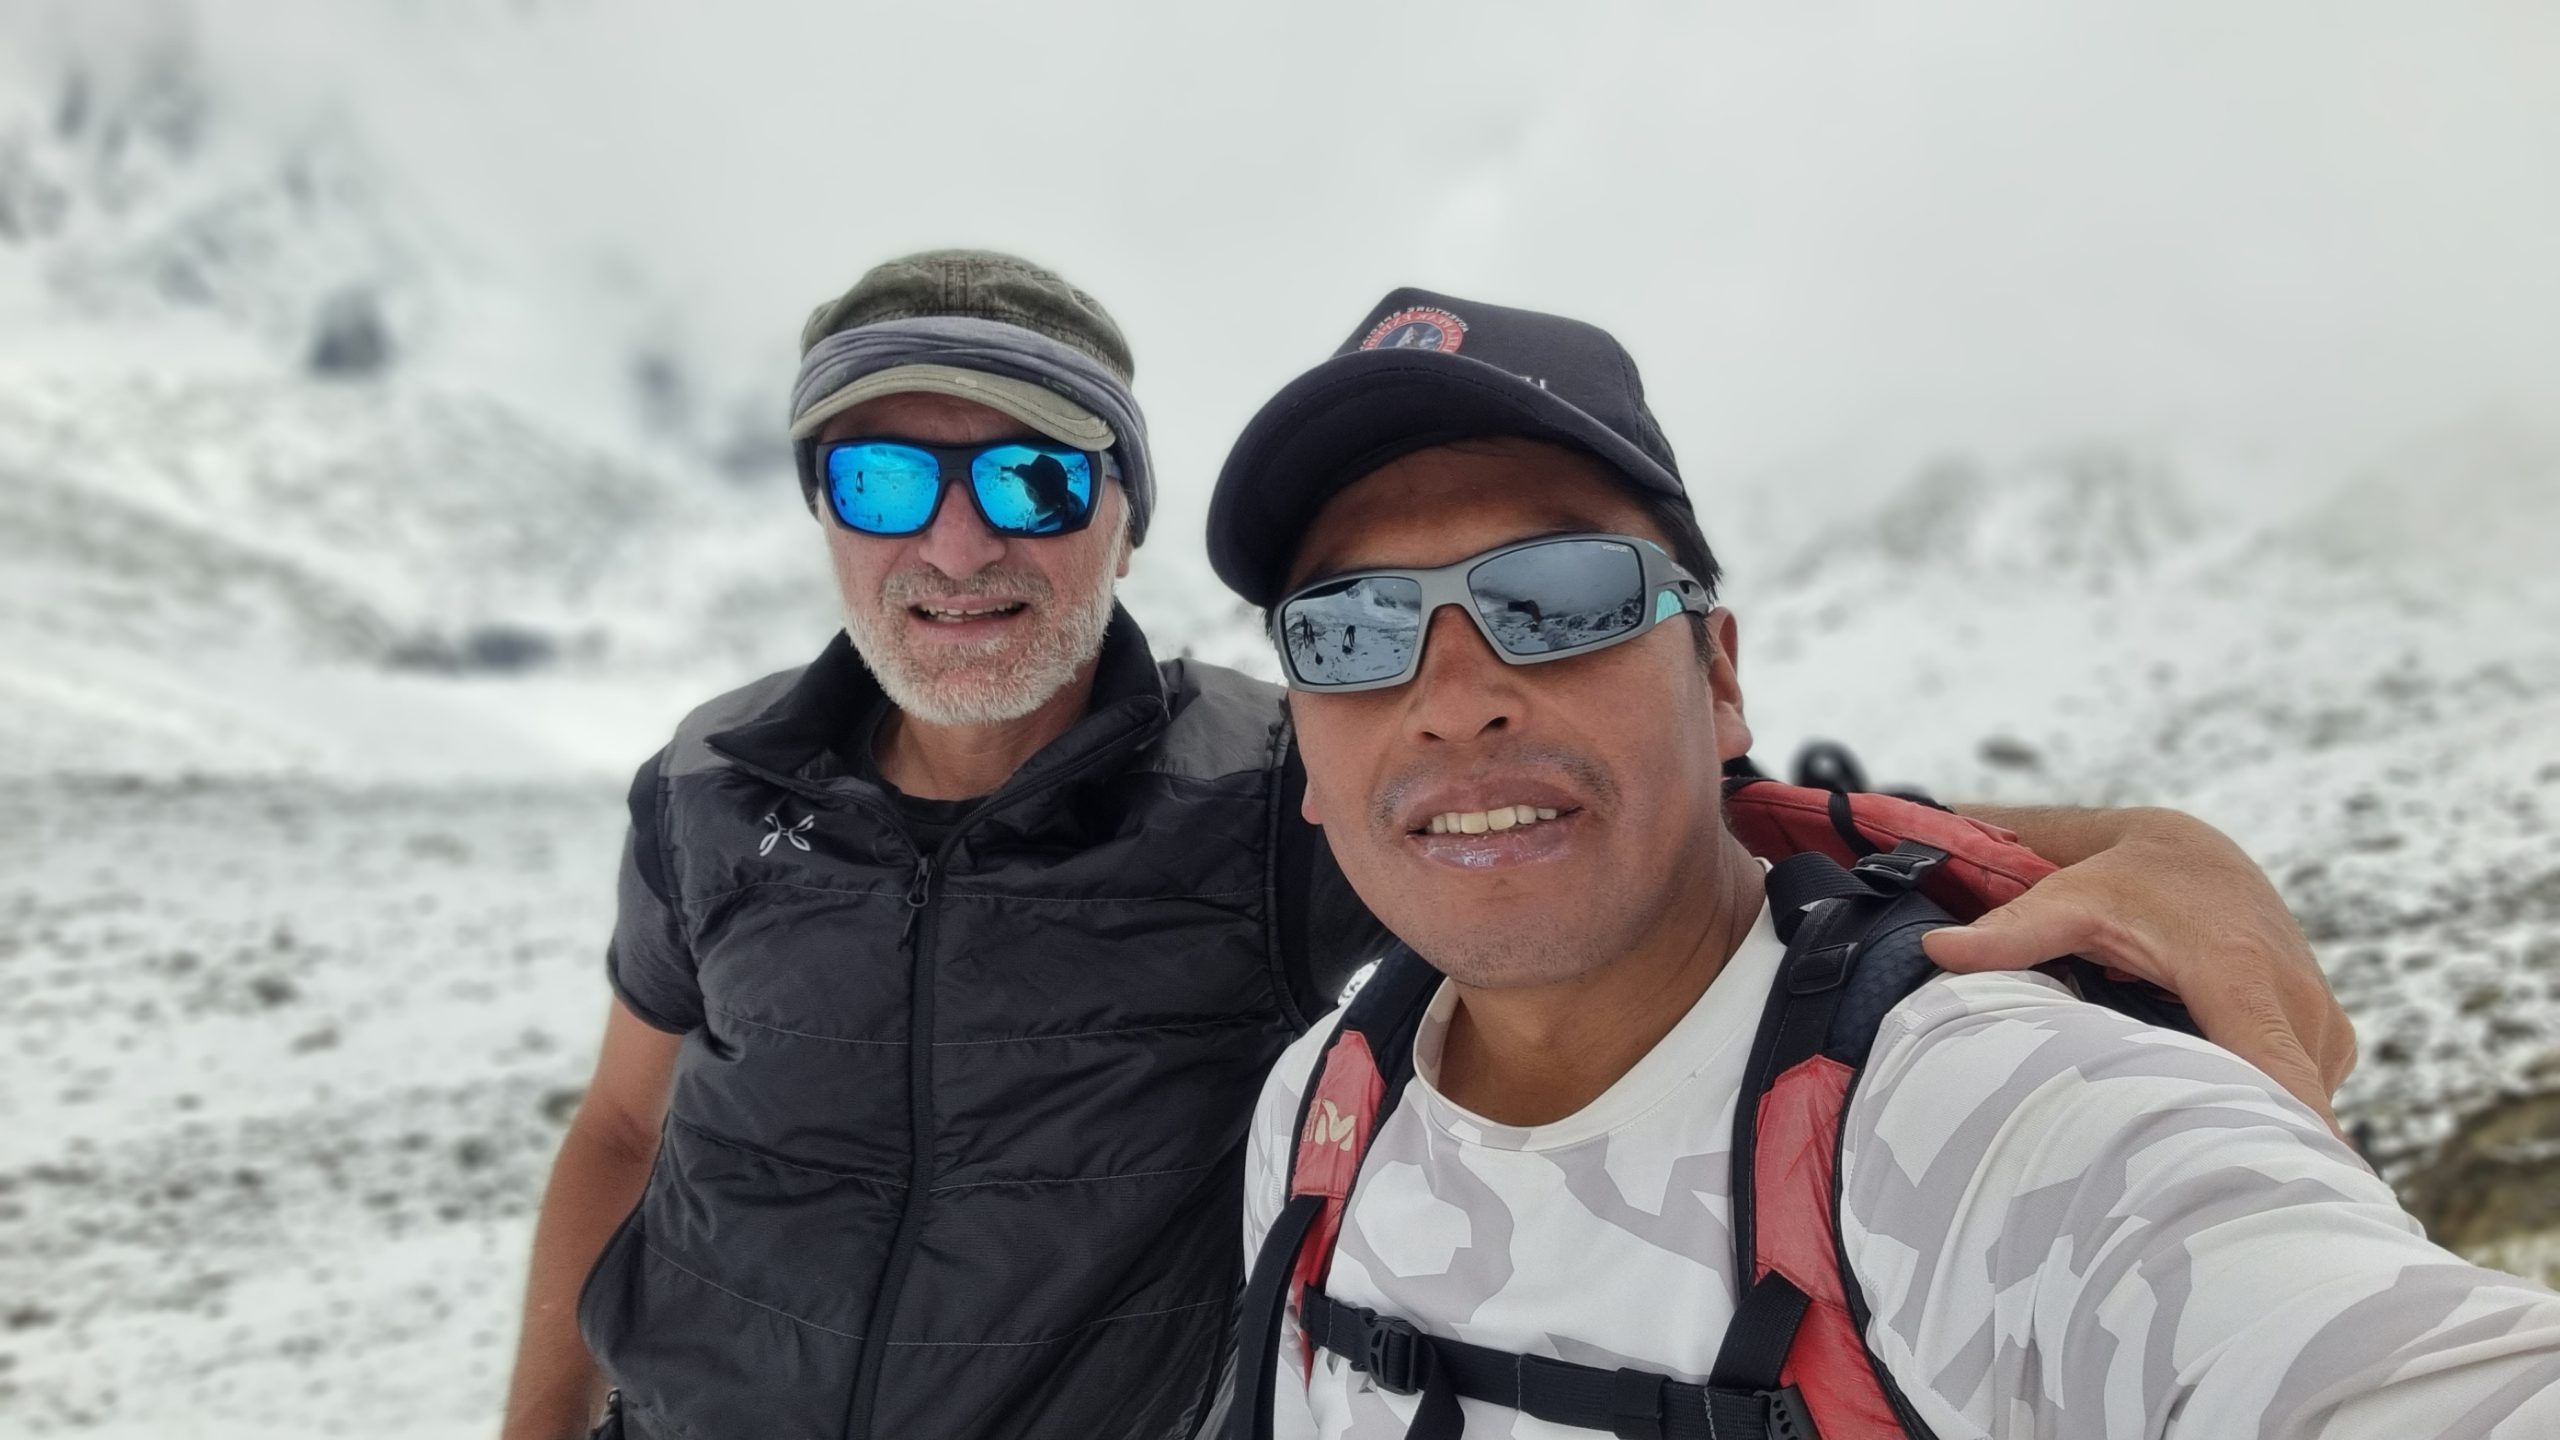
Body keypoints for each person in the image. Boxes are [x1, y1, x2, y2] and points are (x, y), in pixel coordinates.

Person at [499, 252, 2354, 1440]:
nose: (963, 543)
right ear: (822, 509)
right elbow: (626, 1133)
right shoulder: (707, 781)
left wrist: (2140, 846)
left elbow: (1612, 823)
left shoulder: (1275, 780)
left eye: (1040, 476)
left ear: (1122, 517)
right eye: (888, 475)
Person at [1214, 288, 2560, 1438]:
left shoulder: (1991, 1120)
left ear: (1719, 678)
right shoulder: (1322, 1110)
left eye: (1561, 595)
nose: (1455, 700)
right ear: (1305, 754)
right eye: (1350, 629)